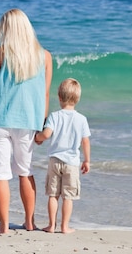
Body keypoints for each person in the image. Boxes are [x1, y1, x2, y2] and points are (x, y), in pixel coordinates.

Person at [0, 8, 53, 234]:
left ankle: (3, 226)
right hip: (28, 121)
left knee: (0, 173)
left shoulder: (2, 52)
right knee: (25, 171)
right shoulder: (44, 56)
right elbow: (45, 93)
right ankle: (30, 223)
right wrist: (42, 124)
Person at [34, 78, 91, 234]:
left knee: (53, 194)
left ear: (59, 97)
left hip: (55, 161)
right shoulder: (81, 119)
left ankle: (51, 225)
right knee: (68, 196)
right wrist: (87, 160)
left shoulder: (54, 116)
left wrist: (37, 138)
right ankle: (65, 227)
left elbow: (46, 134)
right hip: (72, 163)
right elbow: (85, 141)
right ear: (77, 99)